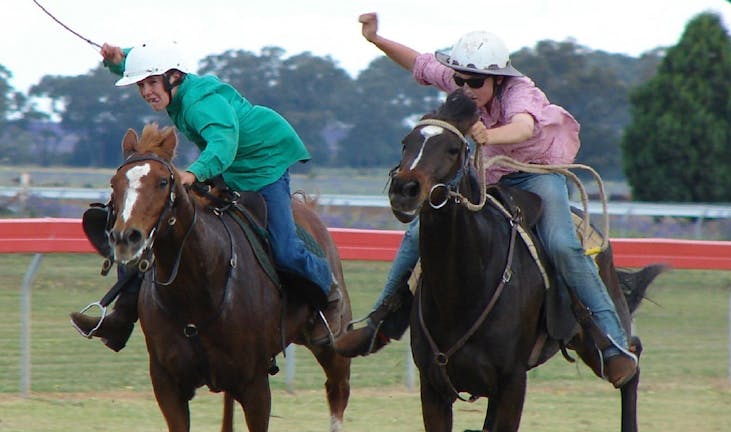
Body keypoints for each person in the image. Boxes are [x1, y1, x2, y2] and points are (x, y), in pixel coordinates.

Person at [333, 13, 639, 388]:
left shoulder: (521, 92)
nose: (465, 88)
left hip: (535, 176)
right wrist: (375, 39)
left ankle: (612, 345)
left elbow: (525, 126)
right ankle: (380, 322)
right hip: (484, 174)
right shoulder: (464, 83)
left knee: (562, 244)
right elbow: (419, 63)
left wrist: (488, 137)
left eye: (475, 82)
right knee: (419, 231)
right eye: (459, 79)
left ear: (498, 78)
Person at [70, 41, 343, 350]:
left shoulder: (201, 105)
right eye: (141, 85)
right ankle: (121, 317)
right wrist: (119, 61)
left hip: (265, 165)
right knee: (158, 224)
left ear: (173, 77)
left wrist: (194, 173)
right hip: (228, 167)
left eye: (151, 83)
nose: (146, 92)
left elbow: (222, 144)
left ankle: (329, 292)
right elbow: (150, 59)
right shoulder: (176, 88)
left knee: (285, 250)